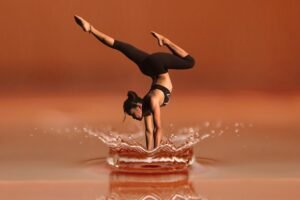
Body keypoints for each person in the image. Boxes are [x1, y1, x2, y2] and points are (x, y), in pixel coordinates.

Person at [74, 15, 195, 150]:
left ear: (138, 106)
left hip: (157, 64)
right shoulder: (147, 107)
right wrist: (149, 153)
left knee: (190, 62)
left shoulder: (152, 100)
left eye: (132, 114)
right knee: (119, 46)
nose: (135, 118)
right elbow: (149, 131)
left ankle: (165, 41)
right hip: (147, 66)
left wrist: (156, 153)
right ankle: (90, 28)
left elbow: (158, 128)